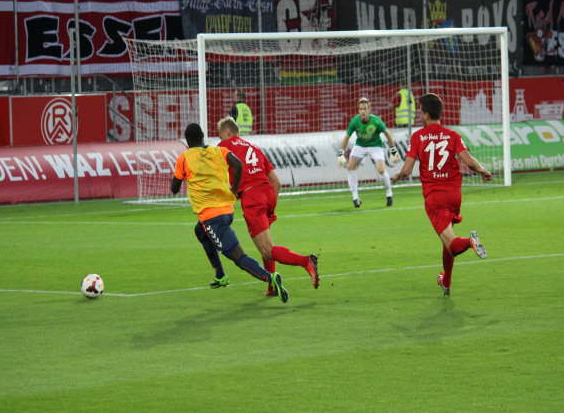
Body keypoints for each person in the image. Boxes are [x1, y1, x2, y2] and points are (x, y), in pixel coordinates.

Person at [171, 123, 289, 303]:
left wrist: (186, 178)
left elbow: (174, 188)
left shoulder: (184, 158)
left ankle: (270, 277)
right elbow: (238, 164)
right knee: (200, 231)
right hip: (227, 210)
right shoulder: (219, 151)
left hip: (212, 217)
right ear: (203, 137)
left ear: (187, 142)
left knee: (238, 257)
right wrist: (234, 188)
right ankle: (220, 275)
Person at [392, 93, 492, 297]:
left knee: (453, 245)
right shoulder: (452, 135)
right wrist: (483, 170)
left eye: (420, 111)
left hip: (434, 198)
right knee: (446, 240)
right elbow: (469, 161)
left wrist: (397, 176)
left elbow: (407, 170)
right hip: (454, 195)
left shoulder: (418, 137)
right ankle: (446, 282)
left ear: (426, 114)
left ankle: (470, 242)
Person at [217, 116, 320, 296]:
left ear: (227, 132)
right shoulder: (254, 148)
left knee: (267, 250)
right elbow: (276, 182)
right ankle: (272, 287)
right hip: (267, 193)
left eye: (220, 135)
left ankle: (306, 261)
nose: (220, 139)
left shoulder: (224, 147)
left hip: (252, 198)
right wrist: (271, 206)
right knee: (266, 245)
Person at [338, 97, 400, 208]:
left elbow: (387, 134)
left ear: (369, 109)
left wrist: (393, 151)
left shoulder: (376, 121)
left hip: (375, 146)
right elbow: (346, 137)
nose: (362, 111)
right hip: (360, 145)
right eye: (360, 109)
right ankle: (355, 198)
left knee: (381, 170)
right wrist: (341, 153)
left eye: (365, 109)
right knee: (350, 167)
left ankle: (389, 194)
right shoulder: (355, 121)